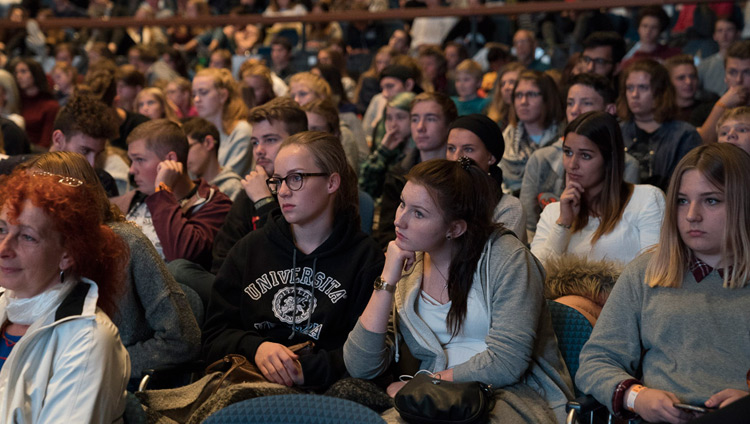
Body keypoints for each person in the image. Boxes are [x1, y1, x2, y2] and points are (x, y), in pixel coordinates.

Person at [344, 158, 573, 423]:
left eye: (418, 213)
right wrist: (387, 280)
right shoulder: (408, 264)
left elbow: (508, 362)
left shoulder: (507, 258)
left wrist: (428, 384)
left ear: (455, 228)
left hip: (511, 395)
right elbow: (361, 366)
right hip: (437, 402)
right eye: (402, 203)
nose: (400, 220)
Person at [576, 143, 750, 423]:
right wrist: (637, 396)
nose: (692, 214)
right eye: (682, 200)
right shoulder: (647, 272)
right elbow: (596, 362)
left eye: (711, 200)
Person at [202, 131, 384, 391]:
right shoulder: (249, 249)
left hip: (326, 392)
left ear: (332, 183)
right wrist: (258, 348)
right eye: (277, 181)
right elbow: (213, 337)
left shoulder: (364, 257)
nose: (283, 191)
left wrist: (302, 370)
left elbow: (366, 355)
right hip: (249, 382)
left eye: (296, 178)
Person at [25, 151, 201, 388]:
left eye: (35, 195)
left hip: (110, 388)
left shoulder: (126, 243)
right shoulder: (28, 247)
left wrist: (104, 364)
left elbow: (182, 339)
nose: (24, 205)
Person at [0, 169, 130, 422]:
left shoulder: (89, 340)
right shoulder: (7, 301)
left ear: (67, 255)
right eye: (2, 229)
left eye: (27, 237)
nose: (4, 248)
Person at [531, 111, 665, 265]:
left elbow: (655, 271)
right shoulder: (554, 213)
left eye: (585, 155)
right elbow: (535, 278)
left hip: (626, 289)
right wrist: (564, 223)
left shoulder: (647, 199)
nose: (572, 164)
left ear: (609, 160)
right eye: (568, 152)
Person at [521, 73, 640, 239]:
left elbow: (626, 227)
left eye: (586, 103)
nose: (575, 110)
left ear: (609, 110)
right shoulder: (540, 159)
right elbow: (527, 227)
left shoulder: (626, 165)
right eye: (570, 103)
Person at [119, 119, 232, 270]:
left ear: (170, 160)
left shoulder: (214, 204)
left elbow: (181, 257)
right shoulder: (133, 199)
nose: (132, 170)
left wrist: (163, 190)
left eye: (140, 159)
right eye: (131, 161)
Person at [374, 92, 457, 249]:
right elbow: (386, 235)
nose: (420, 127)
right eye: (415, 119)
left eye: (431, 119)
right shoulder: (398, 173)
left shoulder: (461, 177)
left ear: (449, 125)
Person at [618, 59, 702, 191]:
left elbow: (688, 186)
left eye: (643, 87)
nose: (634, 95)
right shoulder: (617, 131)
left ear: (661, 92)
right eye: (630, 88)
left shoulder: (685, 134)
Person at [446, 114, 527, 243]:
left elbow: (501, 259)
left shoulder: (508, 208)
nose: (456, 157)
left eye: (468, 149)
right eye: (451, 148)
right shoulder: (437, 197)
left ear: (491, 157)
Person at [501, 70, 565, 195]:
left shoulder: (564, 140)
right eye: (518, 95)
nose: (523, 101)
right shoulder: (505, 140)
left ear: (548, 99)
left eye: (531, 94)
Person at [192, 67, 252, 176]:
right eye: (194, 94)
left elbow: (228, 180)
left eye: (203, 92)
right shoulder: (199, 132)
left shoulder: (241, 131)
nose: (196, 99)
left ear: (223, 95)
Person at [359, 92, 415, 199]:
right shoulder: (391, 148)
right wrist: (383, 151)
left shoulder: (421, 152)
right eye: (389, 118)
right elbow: (365, 188)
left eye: (400, 117)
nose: (393, 124)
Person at [698, 40, 750, 144]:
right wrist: (721, 106)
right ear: (725, 76)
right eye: (732, 72)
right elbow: (700, 147)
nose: (739, 79)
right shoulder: (705, 109)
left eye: (747, 72)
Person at [183, 117, 244, 201]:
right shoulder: (189, 186)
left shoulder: (233, 188)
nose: (184, 156)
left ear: (208, 143)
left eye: (187, 148)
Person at [10, 58, 59, 150]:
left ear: (35, 74)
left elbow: (44, 145)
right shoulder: (16, 100)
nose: (19, 76)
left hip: (34, 155)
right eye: (17, 73)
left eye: (23, 71)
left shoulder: (50, 106)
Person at [665, 55, 717, 127]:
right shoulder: (662, 113)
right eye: (681, 78)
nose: (688, 82)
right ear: (669, 81)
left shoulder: (709, 109)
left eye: (693, 76)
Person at [697, 17, 741, 96]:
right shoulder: (704, 66)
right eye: (720, 30)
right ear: (714, 36)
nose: (724, 35)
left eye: (729, 30)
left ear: (737, 34)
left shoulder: (746, 63)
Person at [486, 62, 525, 129]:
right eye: (503, 84)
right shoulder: (494, 114)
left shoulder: (528, 116)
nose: (506, 87)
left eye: (512, 82)